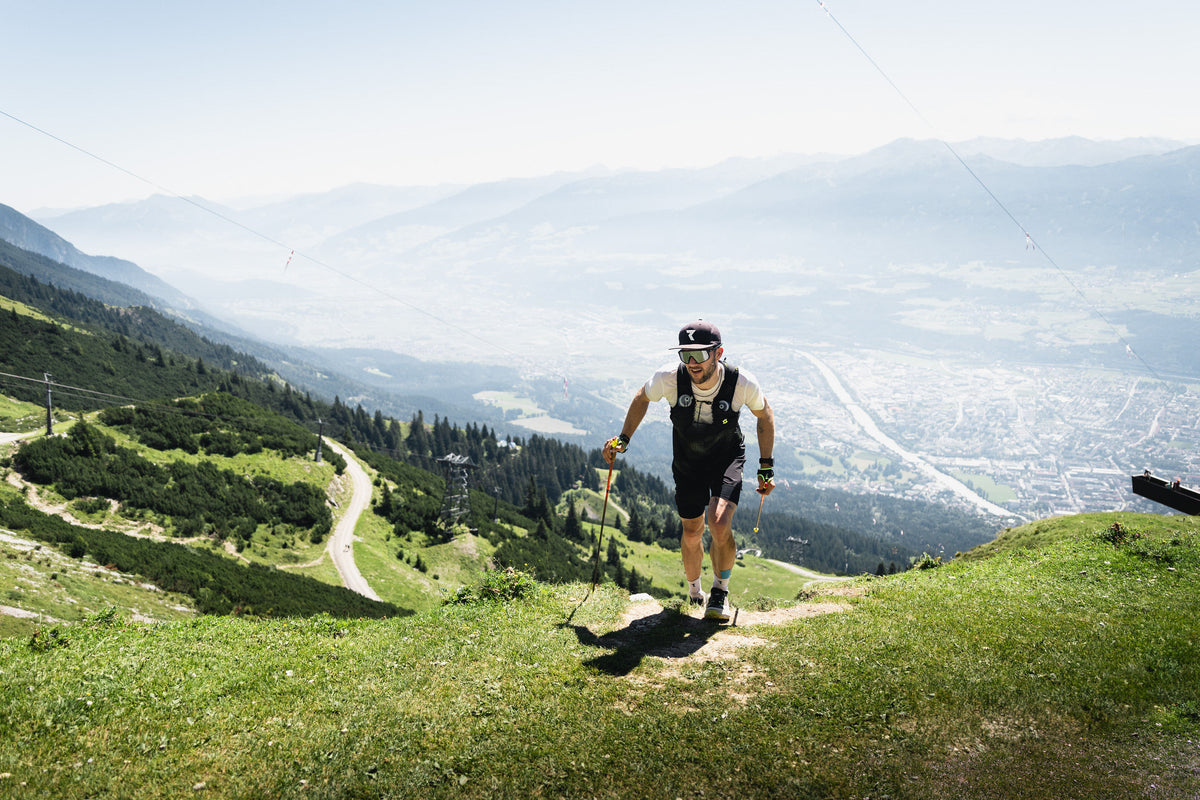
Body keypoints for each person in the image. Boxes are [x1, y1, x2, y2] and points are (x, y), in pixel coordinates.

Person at [602, 319, 775, 621]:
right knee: (692, 532)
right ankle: (695, 593)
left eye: (700, 355)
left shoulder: (741, 382)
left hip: (726, 459)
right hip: (688, 463)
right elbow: (641, 398)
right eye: (686, 355)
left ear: (718, 353)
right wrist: (623, 439)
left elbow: (765, 415)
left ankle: (720, 590)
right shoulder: (668, 378)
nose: (692, 363)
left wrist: (766, 466)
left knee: (719, 523)